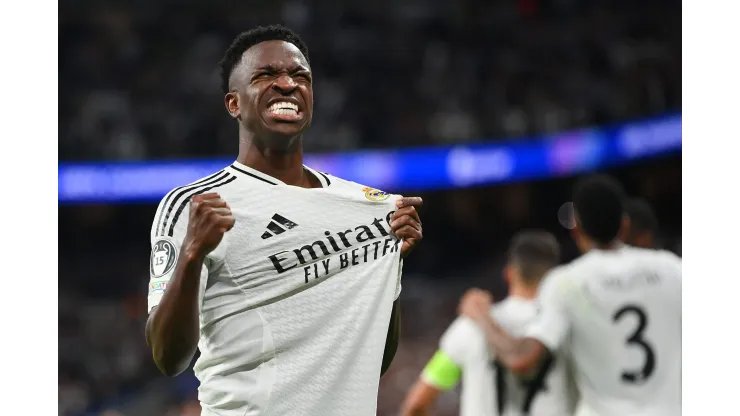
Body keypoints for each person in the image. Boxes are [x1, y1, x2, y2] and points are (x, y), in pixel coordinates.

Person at [144, 25, 423, 416]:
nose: (287, 84)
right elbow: (167, 358)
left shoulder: (367, 206)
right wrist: (191, 255)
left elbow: (374, 360)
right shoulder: (195, 204)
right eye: (265, 75)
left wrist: (391, 265)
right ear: (234, 104)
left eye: (300, 76)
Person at [459, 175, 681, 416]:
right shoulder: (671, 268)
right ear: (624, 224)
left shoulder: (567, 282)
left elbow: (520, 359)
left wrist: (480, 315)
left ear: (576, 229)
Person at [400, 231, 577, 416]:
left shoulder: (468, 327)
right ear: (555, 276)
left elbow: (416, 404)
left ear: (508, 274)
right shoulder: (570, 325)